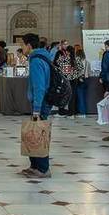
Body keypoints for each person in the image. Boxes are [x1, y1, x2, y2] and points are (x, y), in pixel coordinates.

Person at [21, 35, 55, 178]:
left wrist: (36, 109)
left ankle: (43, 168)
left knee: (39, 133)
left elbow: (39, 87)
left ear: (29, 45)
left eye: (22, 45)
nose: (22, 48)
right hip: (43, 102)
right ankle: (34, 165)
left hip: (41, 104)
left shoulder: (36, 60)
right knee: (35, 132)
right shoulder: (43, 57)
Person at [53, 45, 74, 116]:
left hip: (65, 79)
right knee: (72, 96)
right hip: (73, 79)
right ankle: (72, 111)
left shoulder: (64, 59)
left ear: (67, 52)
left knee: (63, 95)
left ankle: (61, 111)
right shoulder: (75, 59)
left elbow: (56, 63)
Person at [72, 46, 89, 116]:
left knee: (80, 97)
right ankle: (84, 111)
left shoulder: (77, 61)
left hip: (80, 79)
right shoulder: (87, 61)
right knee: (84, 96)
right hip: (86, 80)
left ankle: (82, 112)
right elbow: (89, 72)